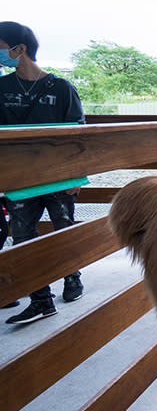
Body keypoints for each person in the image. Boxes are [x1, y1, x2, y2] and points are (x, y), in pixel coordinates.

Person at [0, 21, 86, 324]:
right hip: (19, 177)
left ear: (18, 49)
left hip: (58, 174)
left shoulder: (61, 88)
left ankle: (72, 277)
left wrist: (77, 176)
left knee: (64, 228)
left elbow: (78, 134)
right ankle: (40, 300)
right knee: (23, 237)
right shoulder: (2, 87)